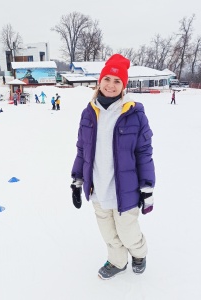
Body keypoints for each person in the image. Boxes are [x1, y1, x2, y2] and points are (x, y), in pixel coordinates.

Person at [70, 54, 155, 280]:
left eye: (117, 81)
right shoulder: (89, 112)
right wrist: (77, 180)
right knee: (109, 234)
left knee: (128, 233)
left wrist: (147, 187)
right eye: (107, 79)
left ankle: (139, 253)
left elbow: (143, 152)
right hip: (98, 188)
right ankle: (117, 262)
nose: (111, 85)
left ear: (123, 86)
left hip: (125, 190)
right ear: (100, 81)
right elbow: (82, 149)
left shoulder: (134, 113)